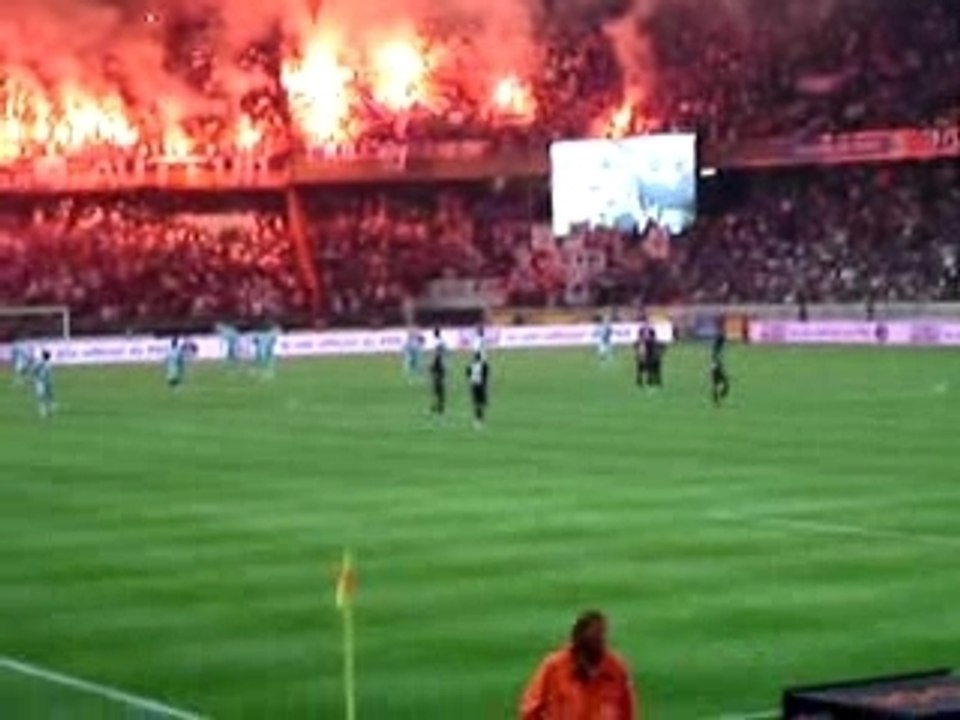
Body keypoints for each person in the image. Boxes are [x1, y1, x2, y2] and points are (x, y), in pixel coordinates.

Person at [520, 610, 638, 720]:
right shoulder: (554, 667)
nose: (601, 642)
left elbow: (627, 714)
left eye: (601, 637)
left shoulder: (616, 668)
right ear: (576, 642)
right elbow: (530, 711)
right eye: (595, 638)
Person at [466, 351, 490, 428]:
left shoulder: (471, 365)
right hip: (481, 385)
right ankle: (480, 418)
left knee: (476, 403)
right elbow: (486, 374)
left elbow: (467, 372)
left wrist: (471, 378)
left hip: (474, 385)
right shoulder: (483, 365)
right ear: (480, 358)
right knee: (481, 403)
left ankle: (477, 419)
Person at [429, 328, 448, 416]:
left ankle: (438, 408)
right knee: (440, 388)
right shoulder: (442, 341)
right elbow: (445, 351)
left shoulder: (436, 342)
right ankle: (439, 407)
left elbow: (436, 354)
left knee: (437, 388)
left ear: (434, 334)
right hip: (442, 366)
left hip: (438, 366)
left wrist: (432, 365)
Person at [33, 350, 55, 418]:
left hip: (48, 381)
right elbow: (34, 370)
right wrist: (36, 377)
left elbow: (50, 373)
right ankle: (43, 411)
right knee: (41, 396)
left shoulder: (49, 363)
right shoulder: (39, 363)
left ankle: (51, 409)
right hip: (41, 381)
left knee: (50, 395)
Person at [711, 330, 731, 406]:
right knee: (725, 384)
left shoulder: (717, 348)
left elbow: (716, 359)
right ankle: (718, 400)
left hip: (715, 369)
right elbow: (717, 359)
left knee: (717, 385)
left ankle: (717, 401)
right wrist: (721, 368)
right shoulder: (717, 349)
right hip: (717, 369)